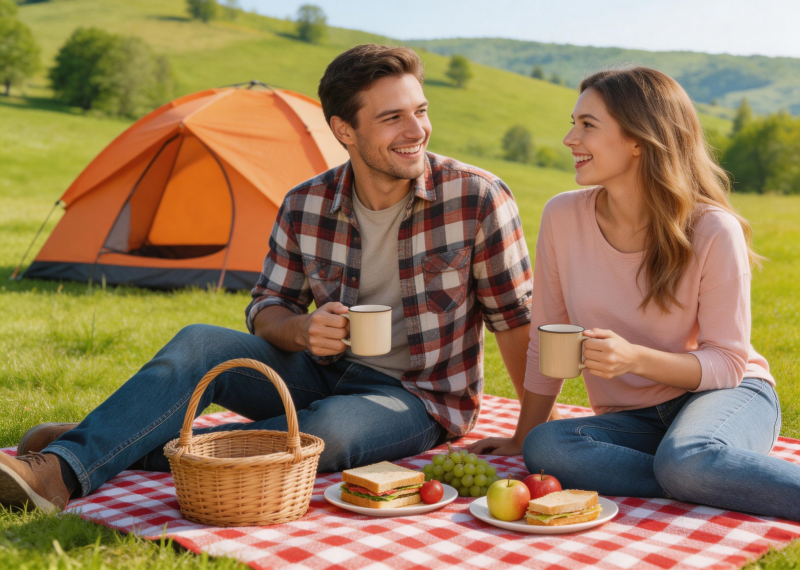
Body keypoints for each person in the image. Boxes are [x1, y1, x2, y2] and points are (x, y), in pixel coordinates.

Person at [0, 44, 535, 513]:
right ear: (345, 129)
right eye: (394, 117)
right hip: (321, 370)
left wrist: (527, 432)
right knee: (198, 342)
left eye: (420, 111)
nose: (416, 130)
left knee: (329, 432)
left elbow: (515, 320)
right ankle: (61, 472)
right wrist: (303, 332)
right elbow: (267, 308)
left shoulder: (477, 197)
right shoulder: (306, 204)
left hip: (418, 398)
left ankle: (96, 446)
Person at [470, 67, 800, 521]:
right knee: (547, 447)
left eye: (588, 125)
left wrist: (633, 359)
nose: (570, 138)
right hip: (635, 419)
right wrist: (521, 435)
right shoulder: (563, 216)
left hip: (727, 395)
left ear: (639, 140)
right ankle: (701, 475)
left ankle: (694, 468)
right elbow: (550, 339)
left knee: (685, 457)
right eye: (573, 122)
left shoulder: (710, 229)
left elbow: (727, 364)